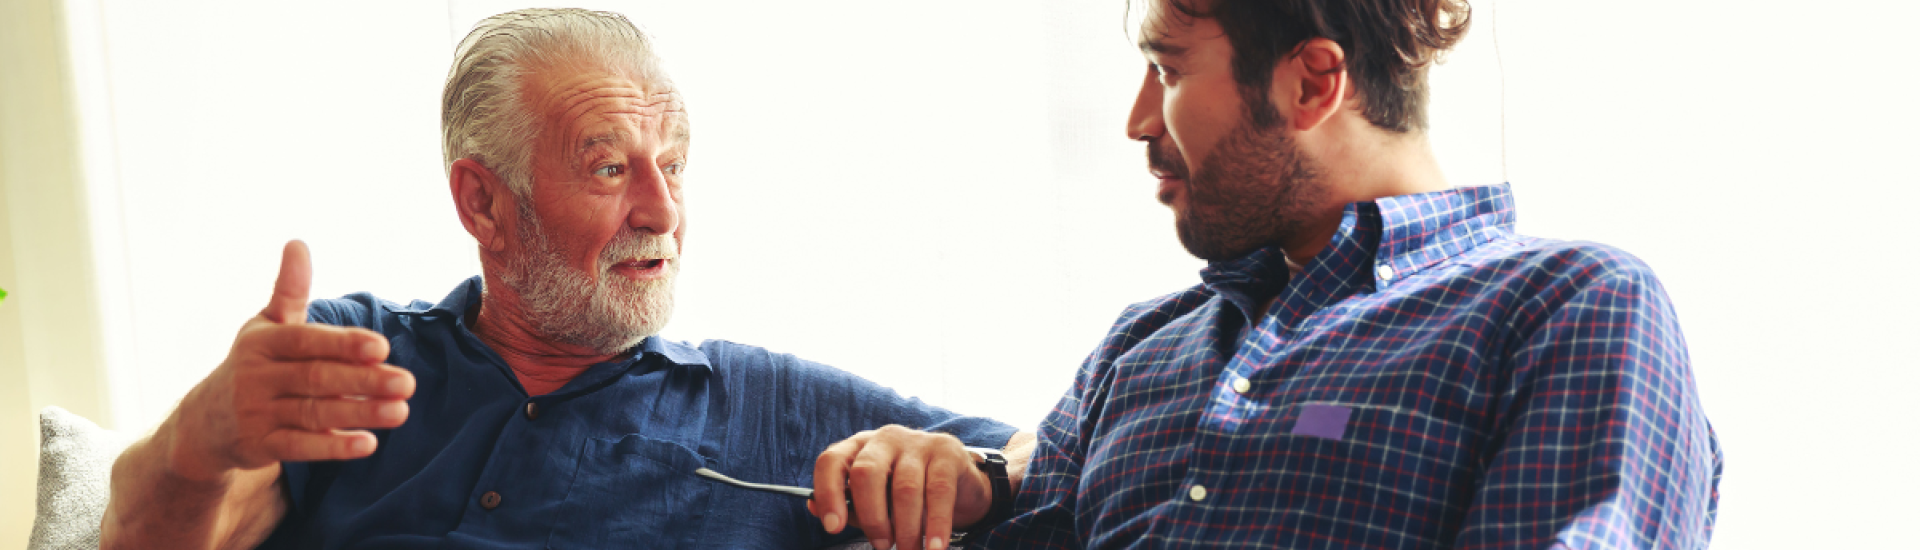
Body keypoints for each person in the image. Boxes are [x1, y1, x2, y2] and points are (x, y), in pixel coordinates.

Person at [99, 9, 1029, 550]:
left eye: (674, 163)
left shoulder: (761, 403)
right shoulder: (365, 359)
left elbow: (1062, 459)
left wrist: (977, 473)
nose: (664, 212)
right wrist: (202, 436)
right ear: (483, 203)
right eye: (610, 167)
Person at [964, 0, 1724, 548]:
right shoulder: (1140, 345)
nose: (1139, 121)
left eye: (1168, 71)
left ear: (1311, 84)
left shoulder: (1565, 304)